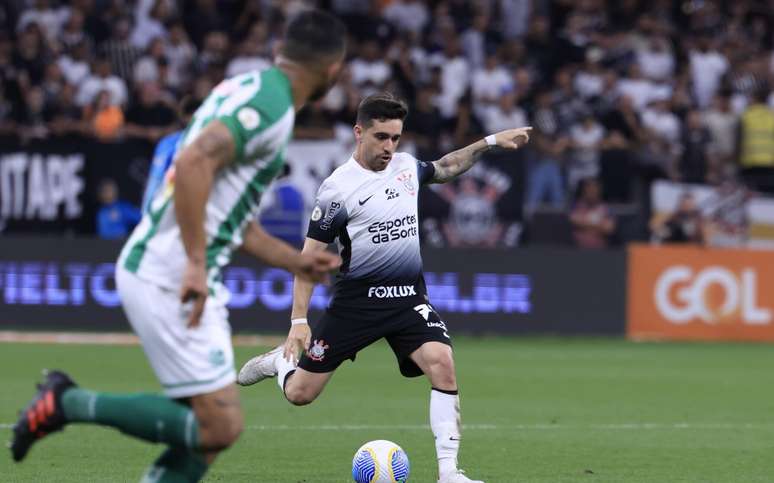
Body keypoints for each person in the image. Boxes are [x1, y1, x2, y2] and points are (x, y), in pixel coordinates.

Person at [10, 10, 348, 482]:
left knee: (202, 435)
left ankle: (65, 403)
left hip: (173, 265)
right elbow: (191, 163)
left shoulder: (247, 89)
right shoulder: (271, 107)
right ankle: (64, 402)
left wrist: (294, 260)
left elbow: (233, 218)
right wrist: (194, 264)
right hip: (171, 271)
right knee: (221, 423)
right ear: (333, 70)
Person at [237, 92, 531, 483]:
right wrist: (298, 320)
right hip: (356, 305)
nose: (389, 147)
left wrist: (491, 141)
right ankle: (281, 364)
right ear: (359, 133)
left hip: (408, 299)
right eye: (381, 137)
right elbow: (307, 258)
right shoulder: (336, 190)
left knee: (442, 363)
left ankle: (449, 473)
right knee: (301, 394)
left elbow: (446, 166)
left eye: (395, 138)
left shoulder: (406, 167)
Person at [141, 95, 199, 213]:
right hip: (173, 207)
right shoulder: (170, 143)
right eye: (191, 115)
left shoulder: (212, 144)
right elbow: (156, 179)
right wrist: (146, 212)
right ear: (184, 117)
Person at [569, 177, 615, 249]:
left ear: (599, 191)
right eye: (589, 189)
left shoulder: (606, 208)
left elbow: (609, 228)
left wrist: (585, 224)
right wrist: (599, 225)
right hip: (578, 250)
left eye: (594, 189)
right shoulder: (577, 206)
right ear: (584, 191)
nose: (592, 192)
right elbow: (574, 221)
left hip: (600, 251)